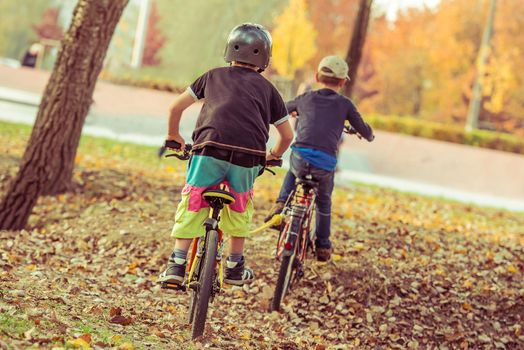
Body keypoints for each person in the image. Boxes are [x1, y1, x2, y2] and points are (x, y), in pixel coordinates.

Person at [158, 23, 294, 286]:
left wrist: (174, 136)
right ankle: (234, 266)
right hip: (249, 157)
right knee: (240, 205)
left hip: (208, 149)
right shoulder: (269, 90)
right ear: (265, 57)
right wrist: (272, 155)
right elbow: (287, 136)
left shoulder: (212, 76)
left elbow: (175, 107)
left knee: (193, 200)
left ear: (229, 49)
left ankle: (176, 264)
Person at [265, 55, 374, 262]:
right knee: (324, 203)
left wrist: (297, 112)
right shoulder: (346, 105)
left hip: (300, 157)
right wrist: (368, 133)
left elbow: (279, 111)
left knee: (293, 169)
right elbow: (364, 130)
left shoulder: (305, 98)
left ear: (316, 77)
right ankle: (323, 245)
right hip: (324, 164)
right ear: (343, 82)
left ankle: (280, 204)